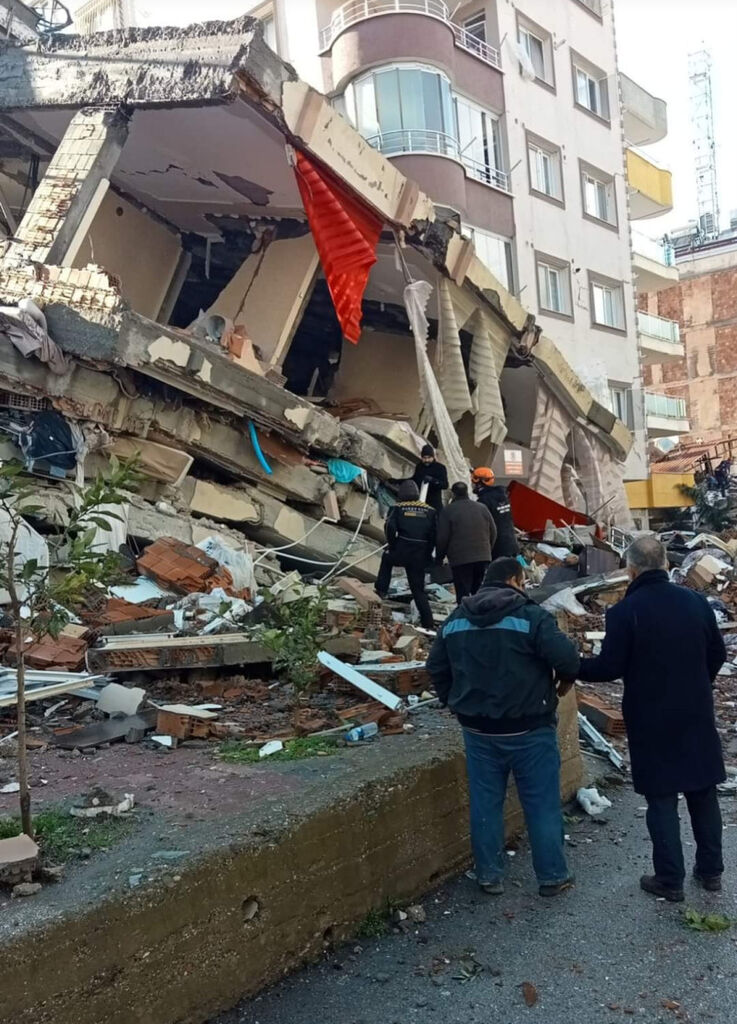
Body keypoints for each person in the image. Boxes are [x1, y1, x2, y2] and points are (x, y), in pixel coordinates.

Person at [578, 536, 726, 903]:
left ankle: (669, 879)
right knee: (702, 790)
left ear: (631, 570)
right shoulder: (696, 602)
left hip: (649, 716)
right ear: (665, 564)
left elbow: (609, 667)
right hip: (695, 711)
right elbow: (718, 654)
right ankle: (711, 872)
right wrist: (698, 684)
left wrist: (571, 666)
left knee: (661, 797)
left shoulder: (625, 612)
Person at [427, 557, 579, 897]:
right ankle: (553, 876)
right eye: (522, 582)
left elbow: (435, 666)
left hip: (478, 731)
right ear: (514, 580)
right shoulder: (531, 617)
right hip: (530, 729)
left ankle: (488, 874)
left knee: (485, 803)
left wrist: (453, 701)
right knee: (541, 804)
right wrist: (564, 680)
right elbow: (568, 659)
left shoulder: (456, 619)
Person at [375, 480, 436, 630]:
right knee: (418, 590)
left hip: (402, 550)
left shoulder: (398, 508)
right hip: (420, 554)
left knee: (386, 559)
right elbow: (435, 535)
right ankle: (428, 623)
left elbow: (390, 527)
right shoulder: (430, 511)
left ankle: (380, 591)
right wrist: (428, 553)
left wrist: (392, 545)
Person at [436, 481, 497, 602]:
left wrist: (439, 558)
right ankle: (478, 612)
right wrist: (487, 550)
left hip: (460, 558)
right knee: (478, 591)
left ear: (453, 494)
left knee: (463, 593)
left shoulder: (448, 511)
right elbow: (494, 531)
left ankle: (464, 613)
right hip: (482, 556)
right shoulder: (482, 507)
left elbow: (442, 537)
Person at [472, 467, 519, 559]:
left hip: (496, 547)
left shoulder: (484, 500)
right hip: (511, 542)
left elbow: (481, 526)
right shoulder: (503, 496)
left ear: (478, 482)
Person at [413, 444, 449, 518]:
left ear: (433, 457)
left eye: (429, 458)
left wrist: (433, 480)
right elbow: (414, 479)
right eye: (424, 458)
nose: (426, 460)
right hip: (421, 502)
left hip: (434, 504)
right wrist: (397, 481)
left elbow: (445, 485)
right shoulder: (419, 466)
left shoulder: (440, 468)